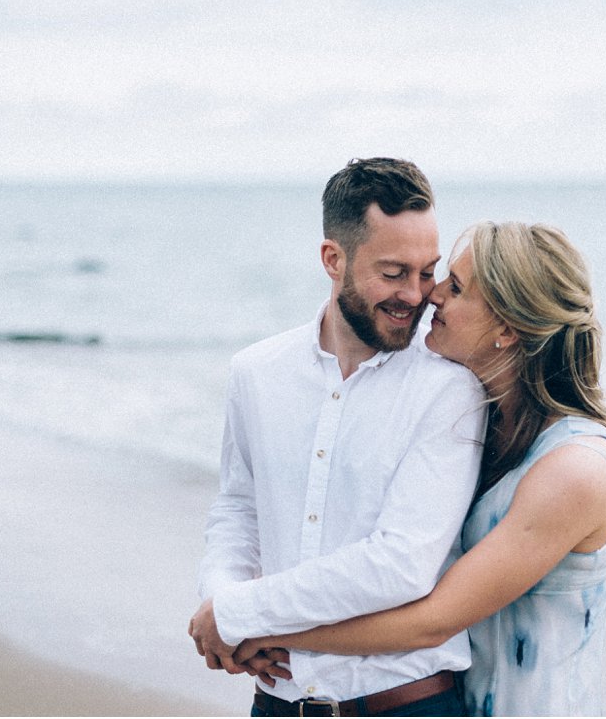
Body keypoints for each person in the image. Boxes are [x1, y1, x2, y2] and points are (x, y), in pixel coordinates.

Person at [232, 221, 606, 716]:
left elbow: (433, 621)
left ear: (508, 329)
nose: (433, 295)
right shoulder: (488, 429)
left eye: (458, 287)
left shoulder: (575, 469)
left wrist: (265, 629)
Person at [188, 158, 487, 716]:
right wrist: (220, 600)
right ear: (334, 259)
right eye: (393, 272)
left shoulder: (451, 391)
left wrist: (242, 614)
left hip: (404, 705)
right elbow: (238, 509)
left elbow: (401, 564)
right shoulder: (256, 371)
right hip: (276, 703)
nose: (416, 295)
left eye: (427, 272)